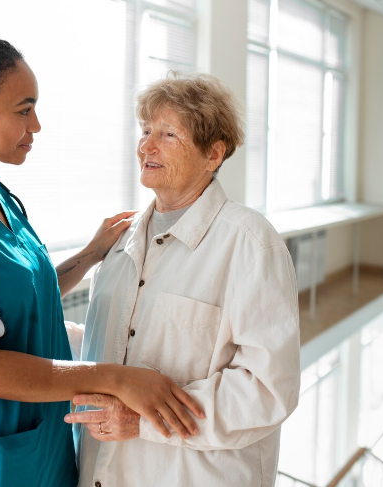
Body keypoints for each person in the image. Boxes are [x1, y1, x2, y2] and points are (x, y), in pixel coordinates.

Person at [0, 31, 204, 486]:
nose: (37, 125)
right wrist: (117, 379)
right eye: (24, 110)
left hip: (39, 447)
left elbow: (10, 302)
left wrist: (88, 256)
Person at [64, 73, 301, 486]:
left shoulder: (250, 243)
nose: (146, 146)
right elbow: (113, 345)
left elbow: (267, 389)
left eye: (168, 134)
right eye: (145, 130)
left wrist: (144, 420)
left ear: (213, 154)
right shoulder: (120, 243)